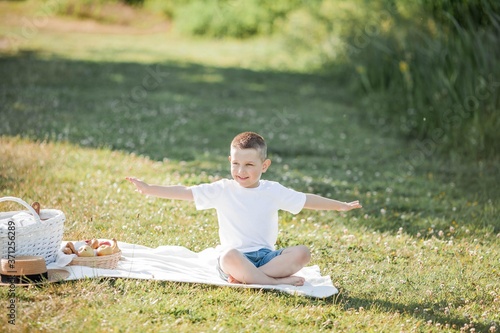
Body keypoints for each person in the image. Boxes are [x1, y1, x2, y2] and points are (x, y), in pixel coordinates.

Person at [126, 131, 361, 286]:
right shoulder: (222, 189)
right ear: (230, 161)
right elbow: (185, 191)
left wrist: (339, 206)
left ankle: (253, 278)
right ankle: (274, 282)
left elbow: (306, 199)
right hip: (236, 258)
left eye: (249, 164)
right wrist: (149, 188)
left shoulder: (272, 190)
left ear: (264, 165)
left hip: (266, 257)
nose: (241, 171)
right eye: (236, 163)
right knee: (228, 256)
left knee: (302, 253)